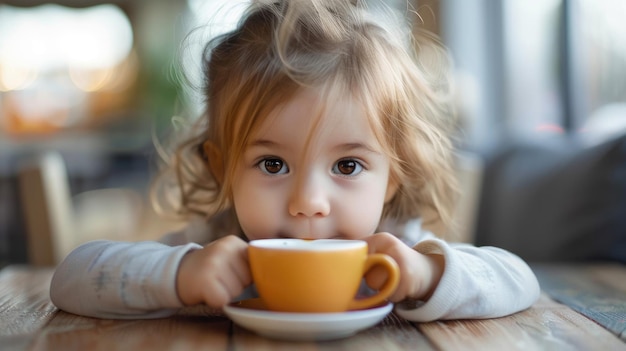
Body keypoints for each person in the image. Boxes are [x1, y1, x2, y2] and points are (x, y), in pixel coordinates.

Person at [50, 0, 539, 321]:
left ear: (392, 178)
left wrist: (429, 274)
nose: (309, 204)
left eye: (347, 166)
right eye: (272, 165)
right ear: (222, 168)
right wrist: (181, 275)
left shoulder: (394, 251)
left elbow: (520, 279)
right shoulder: (218, 249)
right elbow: (71, 278)